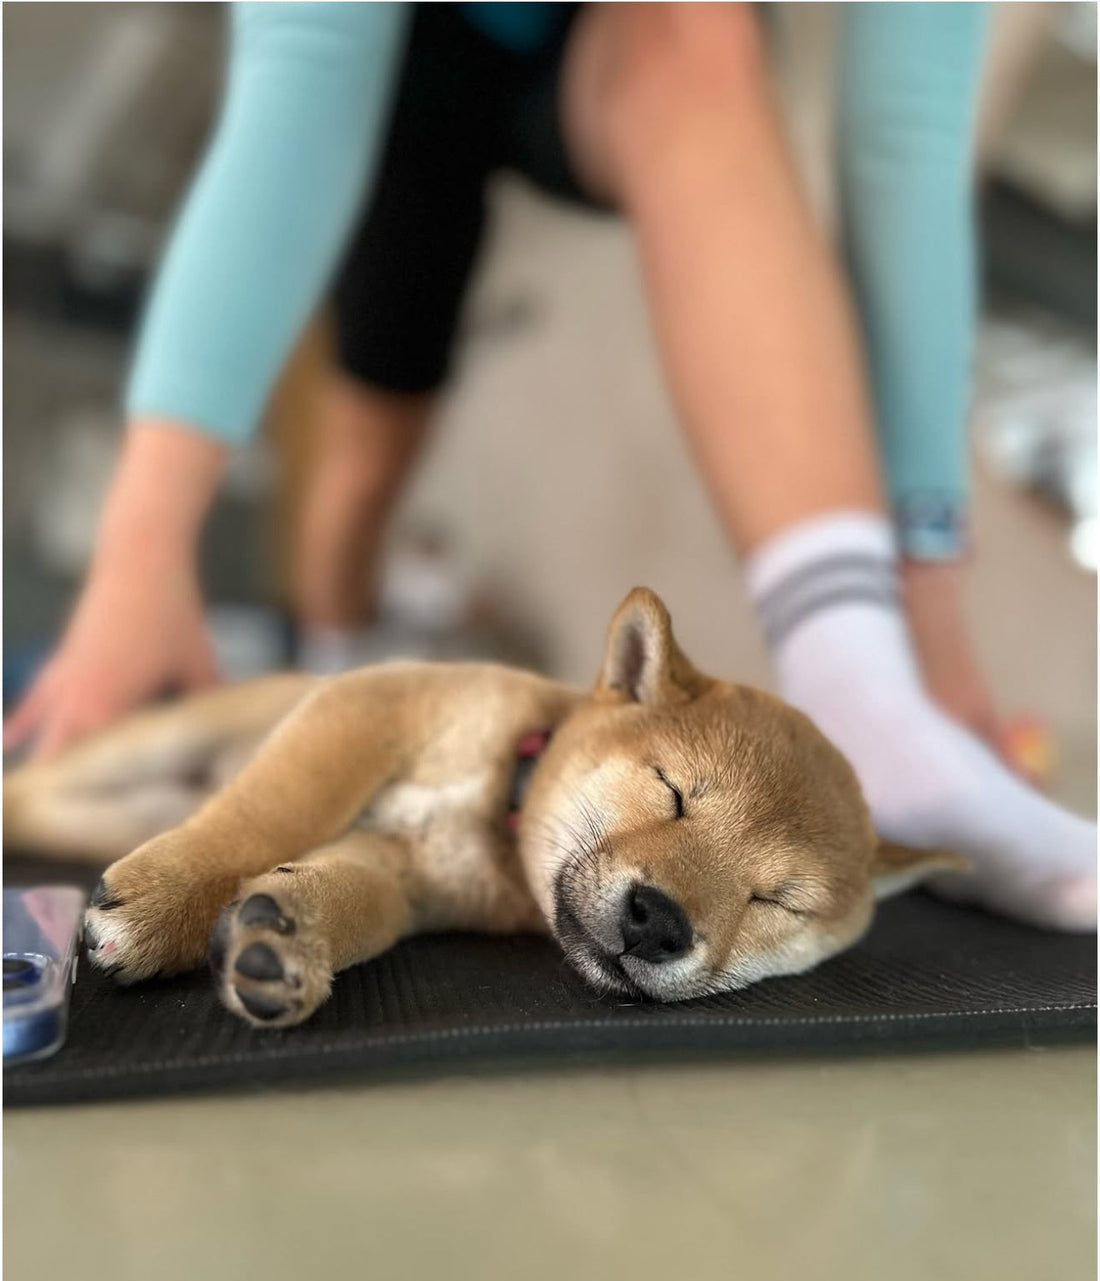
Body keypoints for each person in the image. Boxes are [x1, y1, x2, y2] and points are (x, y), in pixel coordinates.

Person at [5, 3, 1095, 931]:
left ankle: (855, 685)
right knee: (365, 459)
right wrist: (138, 556)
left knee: (692, 29)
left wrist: (928, 634)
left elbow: (907, 143)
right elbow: (297, 79)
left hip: (615, 45)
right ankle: (339, 653)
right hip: (401, 58)